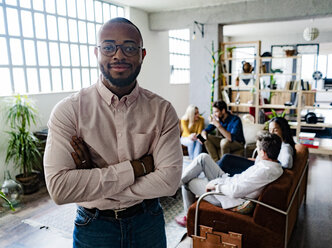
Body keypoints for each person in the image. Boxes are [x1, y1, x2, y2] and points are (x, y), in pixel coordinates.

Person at [43, 17, 183, 248]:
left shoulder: (162, 110)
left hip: (147, 222)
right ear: (97, 52)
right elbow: (59, 189)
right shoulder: (69, 111)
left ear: (142, 54)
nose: (118, 55)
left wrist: (95, 181)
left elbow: (168, 183)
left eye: (129, 47)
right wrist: (140, 167)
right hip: (94, 227)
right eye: (108, 47)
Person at [175, 133, 283, 227]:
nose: (257, 150)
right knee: (203, 157)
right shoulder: (273, 164)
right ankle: (175, 186)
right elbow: (258, 163)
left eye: (258, 149)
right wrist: (223, 181)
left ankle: (189, 218)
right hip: (228, 182)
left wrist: (216, 186)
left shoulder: (264, 171)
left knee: (188, 182)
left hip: (226, 197)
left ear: (264, 153)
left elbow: (235, 191)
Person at [218, 117, 295, 175]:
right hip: (256, 165)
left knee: (226, 160)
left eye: (275, 130)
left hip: (258, 169)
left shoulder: (285, 147)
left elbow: (287, 164)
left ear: (283, 130)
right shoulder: (276, 143)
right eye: (270, 130)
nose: (271, 133)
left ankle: (211, 173)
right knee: (226, 159)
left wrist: (270, 163)